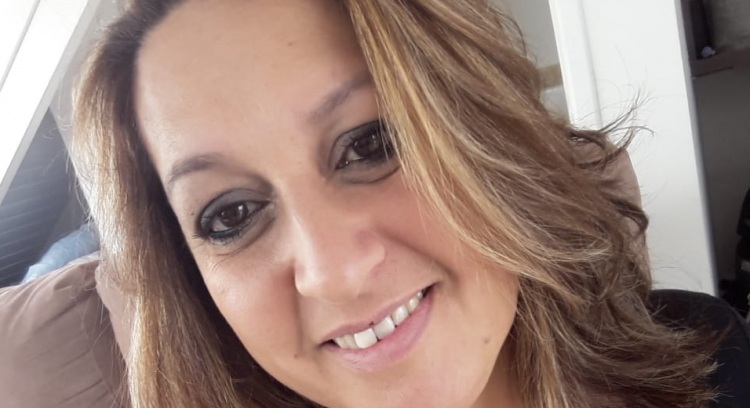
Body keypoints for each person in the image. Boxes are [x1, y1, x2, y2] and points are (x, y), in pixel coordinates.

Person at [70, 0, 733, 407]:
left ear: (485, 137)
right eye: (231, 215)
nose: (333, 273)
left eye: (370, 144)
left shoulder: (712, 360)